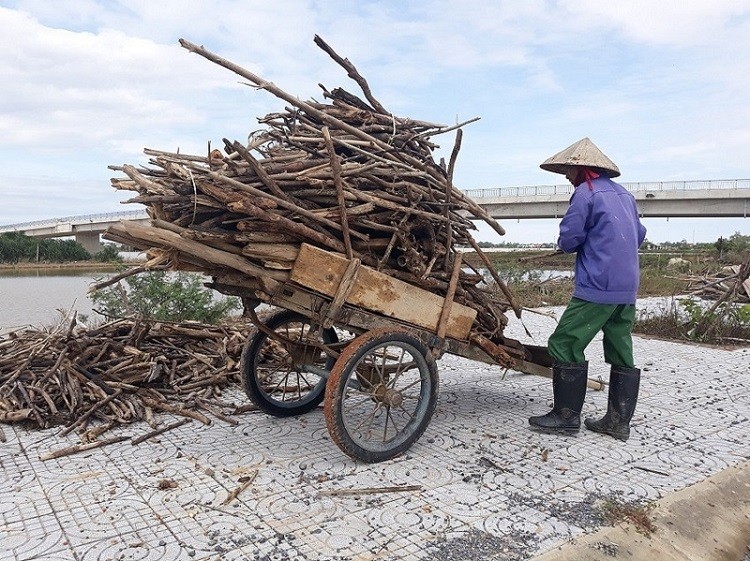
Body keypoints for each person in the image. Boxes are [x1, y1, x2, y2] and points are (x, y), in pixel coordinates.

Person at [528, 137, 647, 441]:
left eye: (569, 171)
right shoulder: (625, 196)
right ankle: (618, 423)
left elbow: (569, 238)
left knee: (564, 341)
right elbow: (639, 234)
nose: (567, 176)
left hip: (598, 285)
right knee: (621, 348)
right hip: (627, 288)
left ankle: (566, 417)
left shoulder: (586, 192)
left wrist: (570, 245)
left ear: (582, 170)